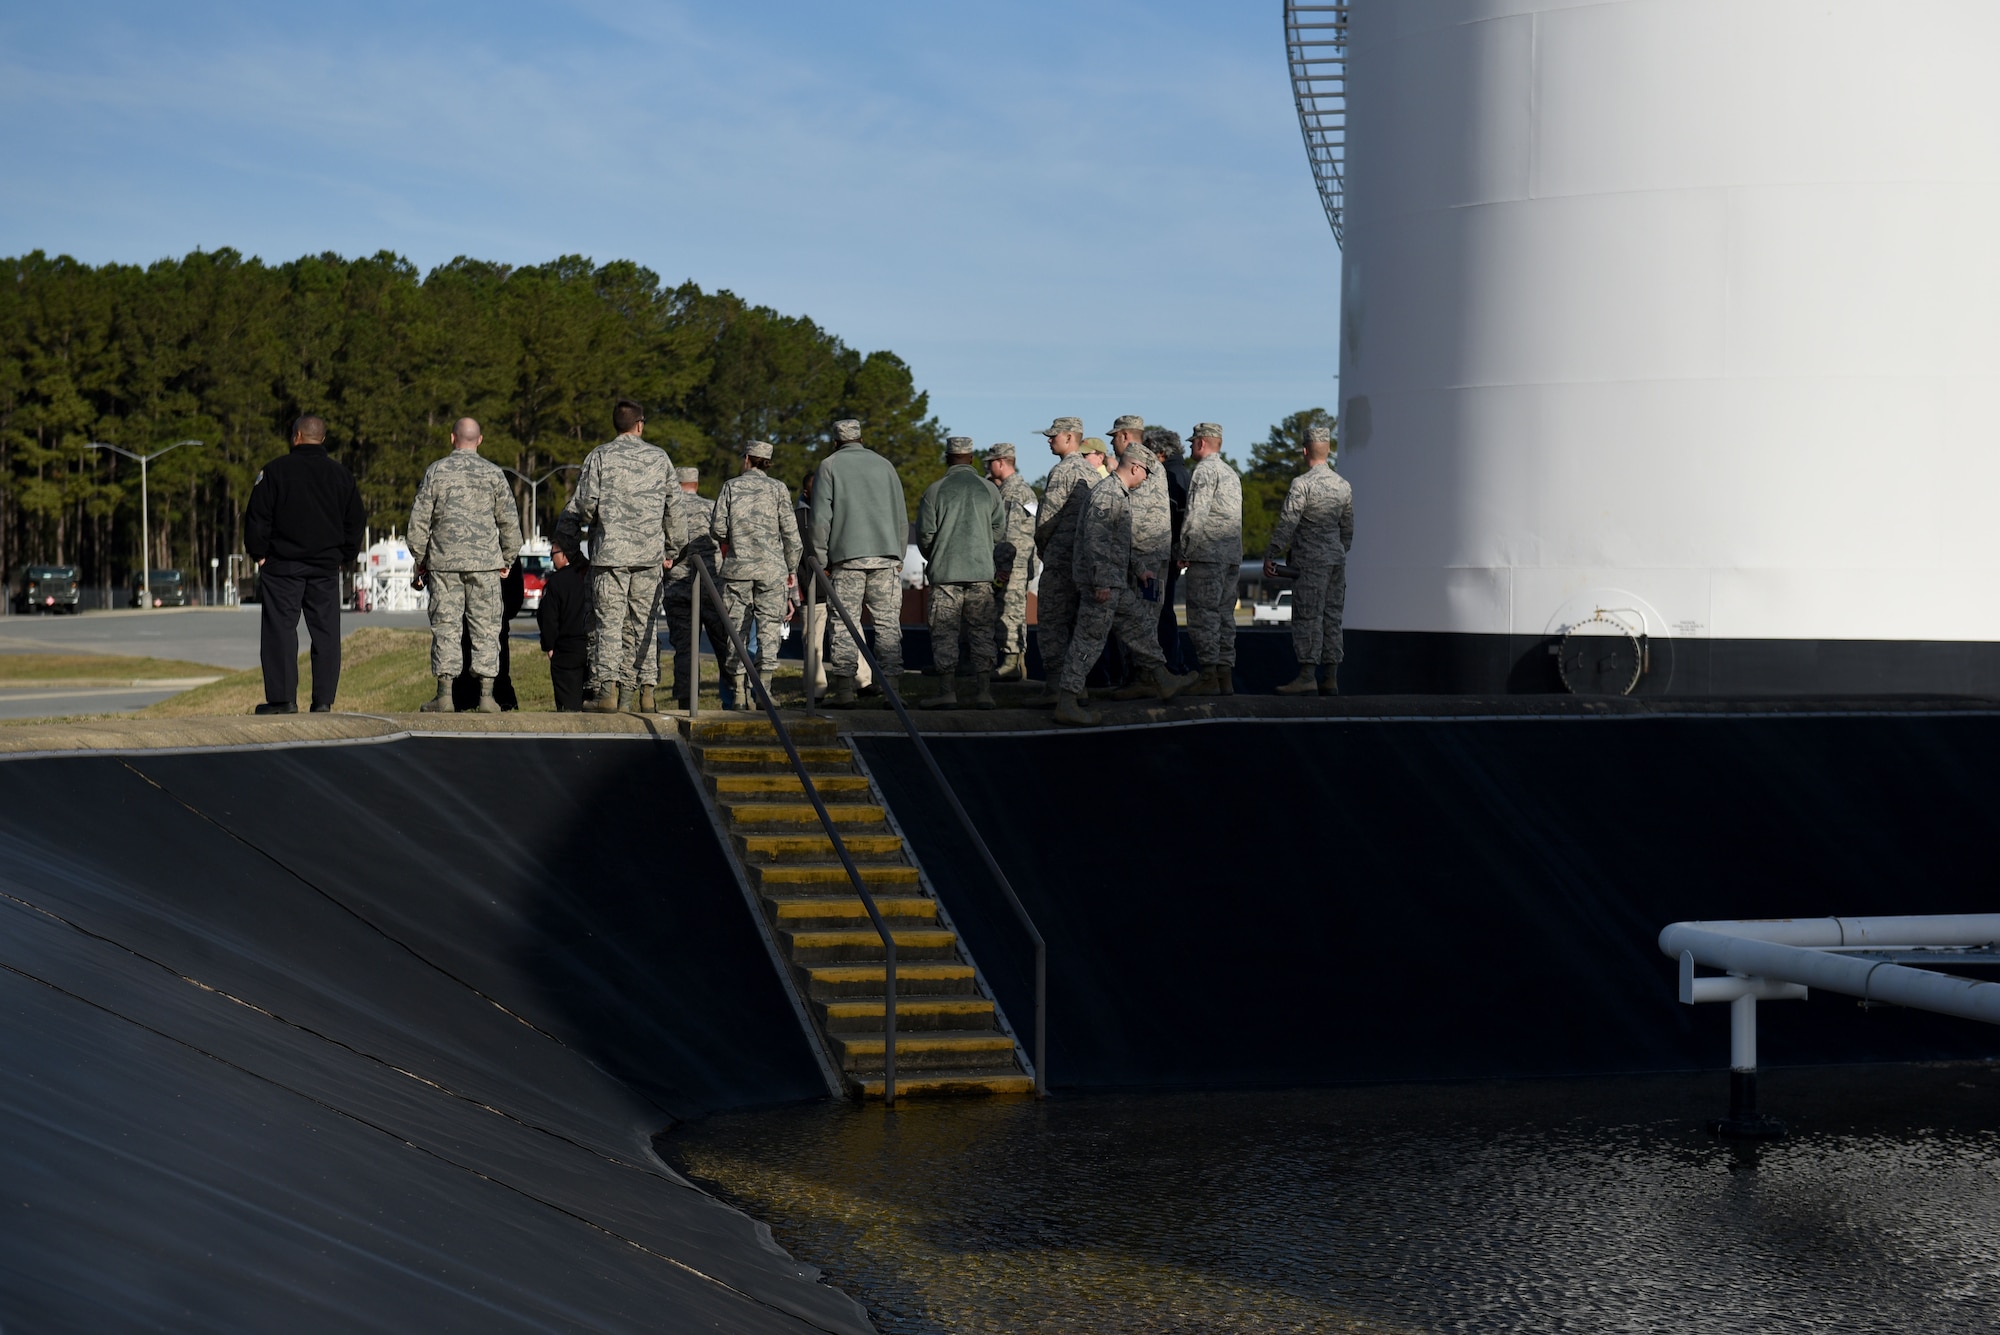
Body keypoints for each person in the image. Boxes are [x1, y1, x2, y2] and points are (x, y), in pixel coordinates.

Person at [553, 398, 684, 714]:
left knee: (608, 625)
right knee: (645, 624)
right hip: (649, 557)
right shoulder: (660, 458)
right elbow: (675, 510)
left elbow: (583, 505)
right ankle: (643, 692)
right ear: (640, 424)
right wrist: (673, 549)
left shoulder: (600, 456)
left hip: (609, 554)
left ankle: (607, 692)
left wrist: (584, 544)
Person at [1054, 445, 1195, 725]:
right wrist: (1102, 581)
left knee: (1140, 626)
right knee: (1088, 641)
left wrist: (1139, 570)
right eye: (1146, 473)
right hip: (1104, 584)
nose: (1146, 479)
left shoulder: (1118, 494)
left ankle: (1163, 678)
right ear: (1135, 468)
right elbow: (1095, 541)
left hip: (1115, 581)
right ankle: (1067, 701)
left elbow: (1119, 542)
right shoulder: (1108, 494)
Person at [243, 414, 366, 714]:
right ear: (322, 439)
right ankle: (323, 701)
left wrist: (259, 553)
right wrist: (344, 556)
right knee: (325, 632)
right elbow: (356, 521)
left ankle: (283, 700)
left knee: (281, 631)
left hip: (283, 565)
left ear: (296, 436)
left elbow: (257, 518)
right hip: (325, 567)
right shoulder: (341, 475)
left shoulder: (275, 472)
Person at [406, 417, 522, 714]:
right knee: (486, 627)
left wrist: (421, 559)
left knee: (446, 627)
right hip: (484, 565)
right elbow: (509, 522)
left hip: (444, 564)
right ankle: (486, 696)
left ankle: (445, 695)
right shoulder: (494, 474)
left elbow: (418, 522)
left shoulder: (436, 472)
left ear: (451, 438)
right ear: (479, 440)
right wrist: (507, 558)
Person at [809, 418, 907, 707]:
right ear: (860, 438)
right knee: (888, 625)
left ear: (836, 441)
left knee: (843, 623)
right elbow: (901, 515)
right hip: (886, 557)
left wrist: (822, 559)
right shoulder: (885, 465)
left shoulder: (830, 466)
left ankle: (844, 691)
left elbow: (820, 520)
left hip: (846, 558)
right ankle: (893, 691)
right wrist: (898, 555)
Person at [709, 441, 801, 708]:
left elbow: (717, 529)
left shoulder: (730, 486)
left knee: (736, 632)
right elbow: (792, 536)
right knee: (769, 631)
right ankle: (764, 690)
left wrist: (737, 538)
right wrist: (791, 569)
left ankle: (738, 692)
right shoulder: (779, 489)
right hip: (772, 571)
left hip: (738, 569)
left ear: (748, 458)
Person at [1265, 424, 1354, 696]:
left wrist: (1272, 552)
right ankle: (1330, 677)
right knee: (1332, 618)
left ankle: (1306, 676)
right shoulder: (1343, 486)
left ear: (1305, 451)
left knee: (1307, 617)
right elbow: (1348, 529)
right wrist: (1337, 550)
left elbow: (1287, 522)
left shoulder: (1302, 484)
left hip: (1310, 562)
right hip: (1336, 560)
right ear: (1328, 451)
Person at [917, 437, 1005, 709]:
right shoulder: (988, 489)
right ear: (971, 458)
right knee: (982, 632)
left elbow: (925, 535)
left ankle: (947, 691)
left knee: (944, 632)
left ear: (947, 458)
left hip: (946, 574)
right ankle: (984, 692)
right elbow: (998, 530)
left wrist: (939, 555)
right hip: (980, 572)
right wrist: (981, 550)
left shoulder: (935, 491)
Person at [1105, 415, 1179, 700]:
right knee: (1144, 617)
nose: (1112, 443)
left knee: (1140, 619)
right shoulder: (1154, 463)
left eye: (1114, 437)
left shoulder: (1139, 463)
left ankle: (1144, 679)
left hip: (1142, 556)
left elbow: (1128, 511)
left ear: (1125, 436)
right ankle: (1142, 678)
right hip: (1150, 554)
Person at [1027, 416, 1096, 705]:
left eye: (1054, 436)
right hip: (1083, 561)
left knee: (1053, 621)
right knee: (1078, 622)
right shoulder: (1094, 473)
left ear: (1070, 438)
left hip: (1059, 559)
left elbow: (1046, 518)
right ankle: (1077, 685)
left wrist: (1042, 546)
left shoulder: (1063, 471)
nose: (1049, 440)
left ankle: (1056, 686)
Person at [1176, 422, 1243, 696]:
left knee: (1203, 616)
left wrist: (1184, 550)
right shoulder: (1230, 472)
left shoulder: (1204, 471)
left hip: (1207, 555)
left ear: (1202, 443)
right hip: (1231, 556)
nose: (1191, 447)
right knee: (1225, 616)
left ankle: (1208, 675)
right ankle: (1225, 676)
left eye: (1192, 442)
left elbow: (1196, 515)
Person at [662, 466, 736, 710]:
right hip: (710, 587)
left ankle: (686, 701)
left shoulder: (668, 508)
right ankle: (738, 695)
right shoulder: (711, 506)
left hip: (677, 588)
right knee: (724, 644)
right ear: (695, 482)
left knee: (684, 648)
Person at [986, 442, 1036, 682]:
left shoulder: (1013, 491)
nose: (988, 466)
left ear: (1001, 462)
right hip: (1019, 562)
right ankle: (1016, 662)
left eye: (990, 462)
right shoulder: (1023, 489)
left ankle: (1011, 662)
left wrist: (1003, 568)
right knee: (1013, 612)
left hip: (1012, 564)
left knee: (1009, 613)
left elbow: (1012, 535)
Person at [1148, 426, 1191, 672]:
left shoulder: (1167, 477)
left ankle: (1171, 666)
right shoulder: (1184, 473)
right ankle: (1175, 664)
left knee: (1162, 612)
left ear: (1160, 453)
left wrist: (1175, 552)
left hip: (1166, 556)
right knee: (1166, 611)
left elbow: (1173, 520)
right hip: (1174, 554)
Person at [536, 533, 591, 711]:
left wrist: (549, 646)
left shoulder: (556, 583)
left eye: (552, 554)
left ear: (564, 555)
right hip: (590, 650)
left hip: (565, 651)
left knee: (568, 707)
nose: (551, 559)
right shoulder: (588, 579)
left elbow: (548, 618)